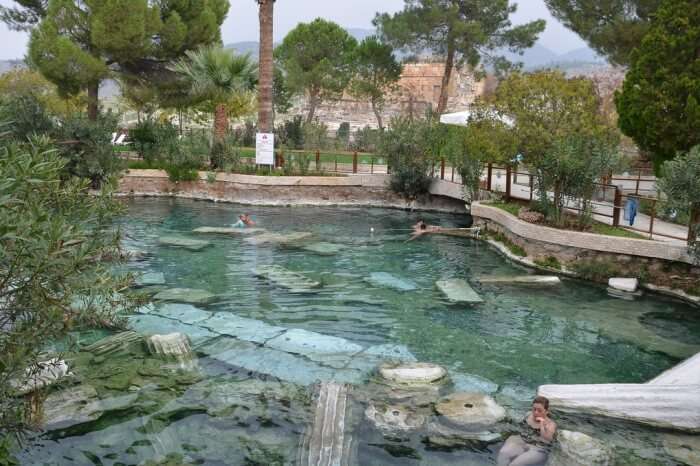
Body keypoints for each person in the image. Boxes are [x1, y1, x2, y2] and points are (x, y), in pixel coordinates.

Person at [497, 396, 557, 466]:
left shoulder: (550, 424)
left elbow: (546, 440)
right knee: (503, 453)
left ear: (546, 412)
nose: (536, 412)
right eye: (534, 409)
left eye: (539, 410)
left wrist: (542, 425)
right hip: (522, 442)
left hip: (538, 449)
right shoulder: (528, 415)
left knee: (515, 464)